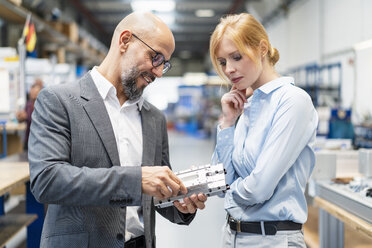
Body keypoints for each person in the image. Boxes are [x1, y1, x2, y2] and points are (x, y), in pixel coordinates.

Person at [28, 12, 207, 248]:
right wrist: (137, 180)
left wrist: (179, 203)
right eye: (156, 57)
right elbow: (47, 180)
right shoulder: (59, 101)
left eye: (165, 63)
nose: (159, 72)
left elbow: (153, 195)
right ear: (124, 41)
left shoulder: (154, 118)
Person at [209, 13, 318, 248]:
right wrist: (228, 123)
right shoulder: (245, 106)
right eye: (222, 62)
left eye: (236, 57)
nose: (229, 69)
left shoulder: (292, 101)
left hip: (272, 240)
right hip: (231, 236)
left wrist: (227, 188)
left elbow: (258, 189)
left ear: (262, 48)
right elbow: (221, 179)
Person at [16, 78, 43, 150]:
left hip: (39, 141)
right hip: (28, 139)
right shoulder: (28, 104)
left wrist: (27, 117)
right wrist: (20, 117)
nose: (33, 93)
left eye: (36, 91)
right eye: (32, 91)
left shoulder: (43, 105)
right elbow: (22, 119)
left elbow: (40, 120)